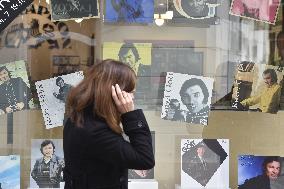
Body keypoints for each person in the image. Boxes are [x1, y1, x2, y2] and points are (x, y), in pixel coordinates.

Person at [63, 59, 155, 189]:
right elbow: (144, 159)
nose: (132, 98)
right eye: (130, 93)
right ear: (115, 93)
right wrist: (130, 115)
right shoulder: (95, 131)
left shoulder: (81, 117)